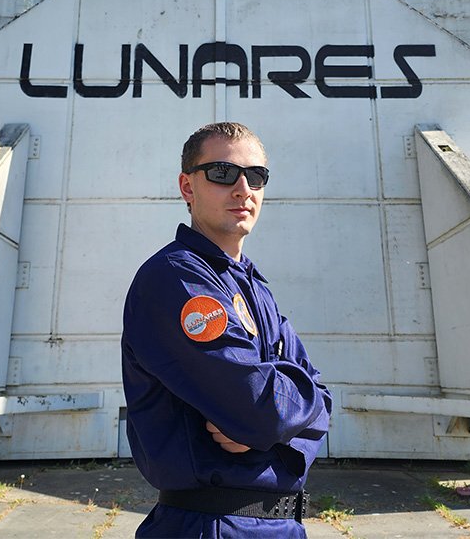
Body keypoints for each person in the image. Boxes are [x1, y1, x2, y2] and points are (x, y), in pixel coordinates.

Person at [121, 122, 333, 538]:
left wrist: (279, 432)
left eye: (255, 176)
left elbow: (322, 398)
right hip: (213, 525)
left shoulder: (252, 286)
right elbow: (255, 408)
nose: (242, 188)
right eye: (222, 173)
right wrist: (277, 419)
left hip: (279, 525)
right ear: (187, 186)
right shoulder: (176, 280)